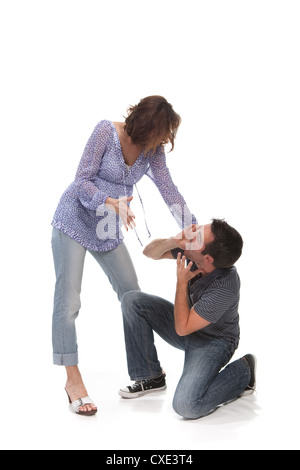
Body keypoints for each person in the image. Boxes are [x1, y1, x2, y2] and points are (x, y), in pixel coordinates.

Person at [51, 96, 196, 415]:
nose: (164, 142)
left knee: (133, 296)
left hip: (107, 227)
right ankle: (73, 380)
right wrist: (109, 201)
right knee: (69, 301)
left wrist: (193, 229)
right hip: (74, 219)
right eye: (162, 134)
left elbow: (168, 189)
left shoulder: (153, 150)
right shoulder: (105, 132)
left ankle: (148, 372)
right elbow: (81, 181)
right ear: (146, 125)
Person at [119, 220, 257, 419]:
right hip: (189, 325)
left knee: (187, 406)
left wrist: (181, 282)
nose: (193, 233)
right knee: (132, 301)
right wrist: (173, 241)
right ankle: (150, 376)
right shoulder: (192, 250)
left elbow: (182, 328)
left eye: (199, 236)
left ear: (207, 259)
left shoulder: (224, 287)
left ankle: (244, 371)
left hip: (215, 342)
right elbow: (149, 252)